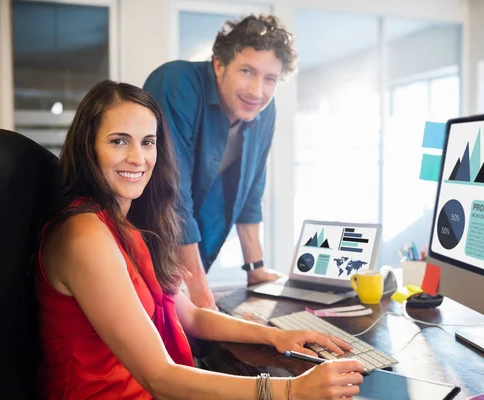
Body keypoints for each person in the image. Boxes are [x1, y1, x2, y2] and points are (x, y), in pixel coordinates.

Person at [35, 80, 364, 399]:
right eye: (119, 141)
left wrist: (278, 336)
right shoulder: (85, 235)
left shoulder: (128, 225)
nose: (138, 157)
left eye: (148, 142)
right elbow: (158, 376)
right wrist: (293, 390)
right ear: (89, 147)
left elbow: (188, 315)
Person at [143, 14, 296, 309]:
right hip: (143, 250)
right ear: (219, 64)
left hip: (188, 259)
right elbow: (173, 191)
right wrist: (202, 296)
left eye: (270, 79)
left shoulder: (265, 109)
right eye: (247, 71)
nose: (257, 91)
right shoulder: (176, 83)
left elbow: (251, 189)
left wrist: (256, 269)